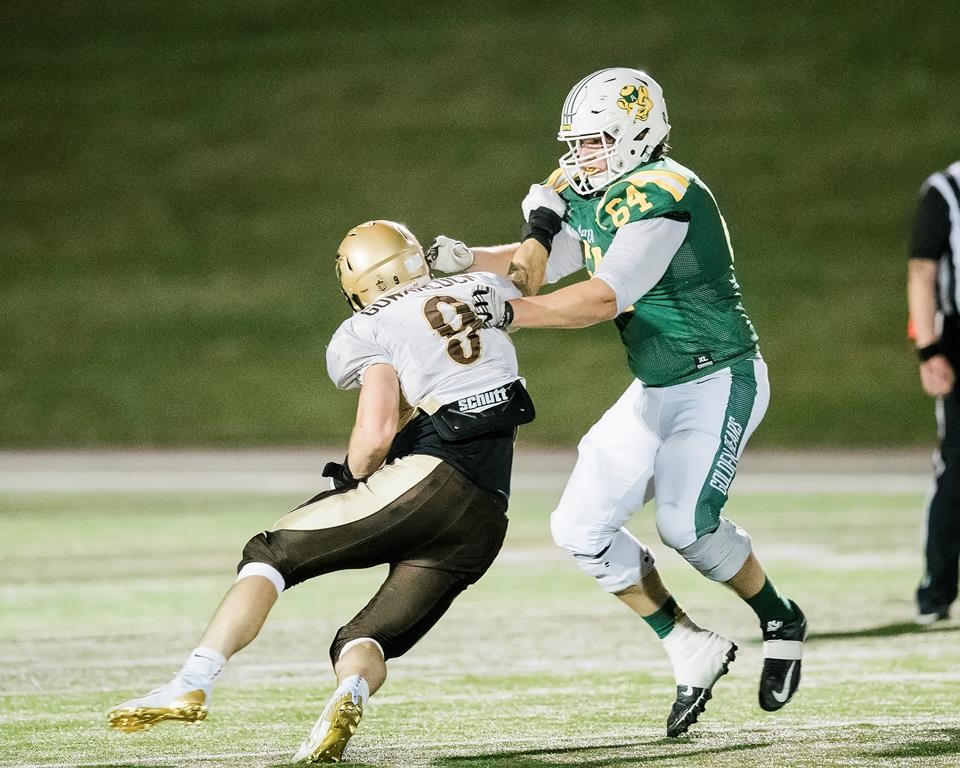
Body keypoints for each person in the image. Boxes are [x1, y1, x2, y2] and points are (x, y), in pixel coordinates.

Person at [428, 68, 806, 722]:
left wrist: (513, 314)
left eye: (597, 141)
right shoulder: (585, 185)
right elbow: (545, 267)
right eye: (576, 142)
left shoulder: (665, 193)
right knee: (578, 527)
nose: (580, 156)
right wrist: (485, 258)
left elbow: (605, 297)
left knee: (686, 526)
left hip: (718, 375)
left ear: (638, 133)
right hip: (657, 385)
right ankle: (687, 642)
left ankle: (781, 619)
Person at [106, 220, 536, 763]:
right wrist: (534, 226)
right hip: (486, 513)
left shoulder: (367, 327)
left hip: (427, 480)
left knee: (269, 555)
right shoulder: (477, 289)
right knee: (366, 636)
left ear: (358, 284)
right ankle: (350, 691)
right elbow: (527, 270)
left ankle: (192, 680)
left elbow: (376, 432)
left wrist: (354, 475)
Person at [907, 160, 960, 625]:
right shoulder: (947, 189)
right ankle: (937, 589)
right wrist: (928, 349)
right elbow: (923, 271)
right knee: (957, 466)